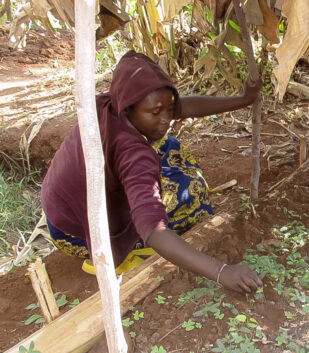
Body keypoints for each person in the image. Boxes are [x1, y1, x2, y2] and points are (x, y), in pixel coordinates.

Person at [41, 50, 263, 294]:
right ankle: (126, 252)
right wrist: (223, 272)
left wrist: (244, 99)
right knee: (192, 194)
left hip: (61, 206)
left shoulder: (108, 104)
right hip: (75, 234)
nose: (167, 118)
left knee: (171, 148)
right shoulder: (133, 155)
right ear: (129, 108)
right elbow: (154, 230)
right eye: (156, 113)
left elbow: (180, 107)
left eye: (168, 109)